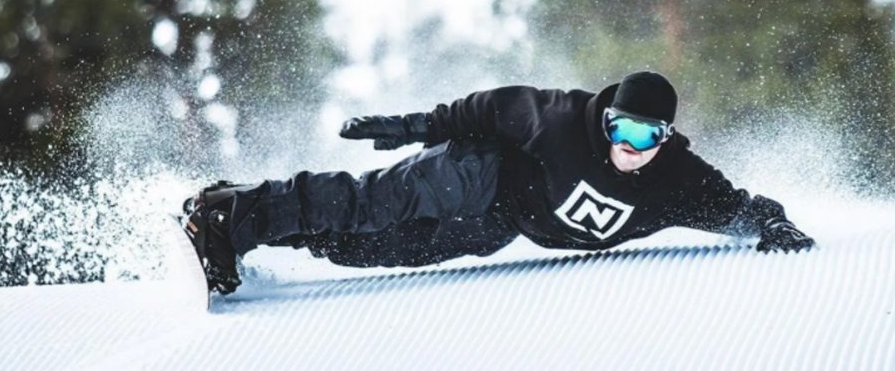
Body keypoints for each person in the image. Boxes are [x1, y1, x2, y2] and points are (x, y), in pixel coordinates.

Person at [181, 71, 815, 294]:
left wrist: (771, 224)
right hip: (480, 171)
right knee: (373, 205)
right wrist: (412, 128)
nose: (627, 145)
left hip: (502, 224)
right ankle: (228, 216)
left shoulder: (678, 181)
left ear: (666, 138)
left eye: (645, 136)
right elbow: (487, 108)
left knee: (371, 249)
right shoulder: (566, 120)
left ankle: (253, 223)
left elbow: (739, 208)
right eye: (621, 127)